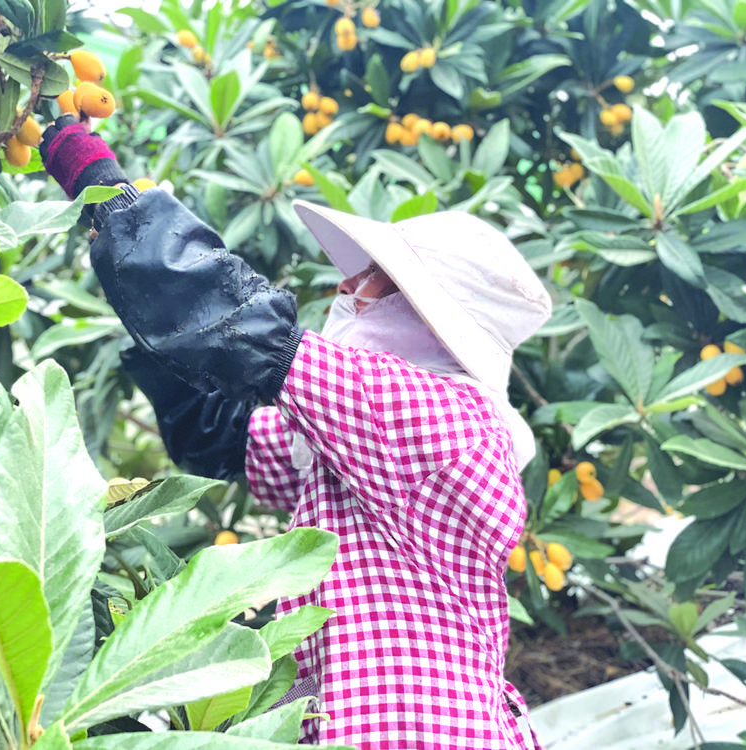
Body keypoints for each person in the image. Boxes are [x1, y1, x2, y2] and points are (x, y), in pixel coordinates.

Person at [40, 116, 551, 749]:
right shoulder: (359, 450)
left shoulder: (446, 422)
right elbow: (215, 435)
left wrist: (107, 191)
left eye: (374, 279)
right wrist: (131, 268)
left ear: (428, 318)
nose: (346, 288)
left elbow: (244, 332)